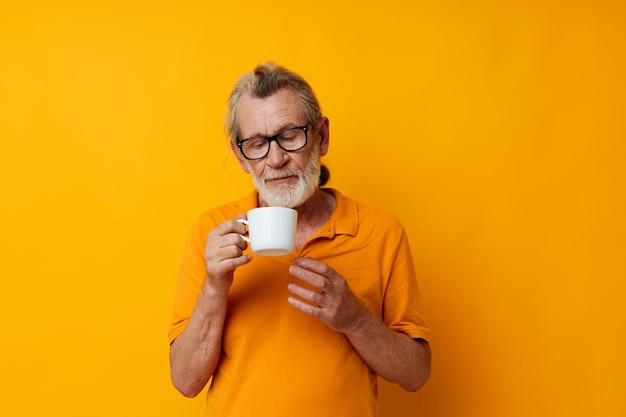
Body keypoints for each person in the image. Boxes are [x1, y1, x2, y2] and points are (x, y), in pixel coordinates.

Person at [168, 61, 431, 417]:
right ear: (240, 155)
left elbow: (416, 374)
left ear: (321, 135)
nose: (275, 159)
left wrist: (355, 319)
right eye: (258, 144)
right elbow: (186, 381)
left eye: (290, 135)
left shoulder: (380, 231)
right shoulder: (212, 232)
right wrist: (215, 286)